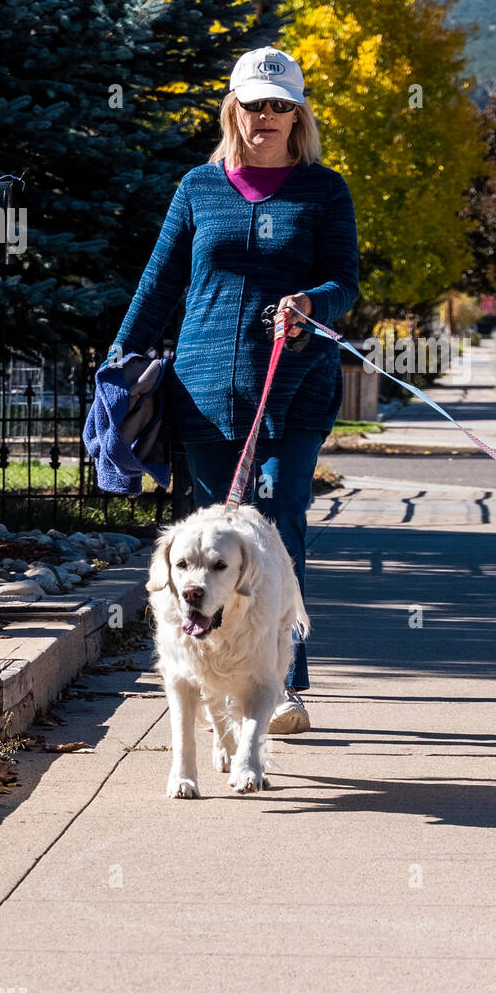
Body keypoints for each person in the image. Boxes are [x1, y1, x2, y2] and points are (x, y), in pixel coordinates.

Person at [109, 46, 359, 732]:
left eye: (281, 105)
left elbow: (347, 281)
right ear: (234, 110)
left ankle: (282, 685)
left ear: (299, 115)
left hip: (296, 388)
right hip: (207, 391)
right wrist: (119, 359)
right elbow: (159, 283)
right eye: (255, 104)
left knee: (279, 526)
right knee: (213, 542)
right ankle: (222, 679)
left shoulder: (323, 189)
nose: (267, 117)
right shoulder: (199, 187)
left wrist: (311, 301)